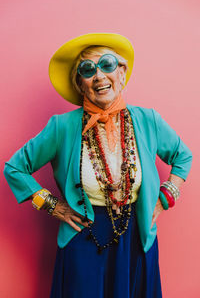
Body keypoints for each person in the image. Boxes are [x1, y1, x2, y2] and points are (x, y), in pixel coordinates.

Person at [3, 33, 193, 298]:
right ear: (80, 85)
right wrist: (52, 205)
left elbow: (183, 156)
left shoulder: (148, 120)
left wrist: (166, 197)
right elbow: (14, 168)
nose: (99, 76)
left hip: (136, 237)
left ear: (122, 73)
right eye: (88, 70)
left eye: (107, 64)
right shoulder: (62, 126)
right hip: (83, 237)